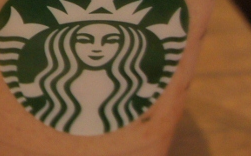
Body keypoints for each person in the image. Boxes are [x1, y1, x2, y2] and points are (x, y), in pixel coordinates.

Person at [17, 21, 161, 136]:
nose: (97, 48)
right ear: (66, 43)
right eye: (84, 40)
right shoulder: (45, 84)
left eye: (111, 40)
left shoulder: (135, 85)